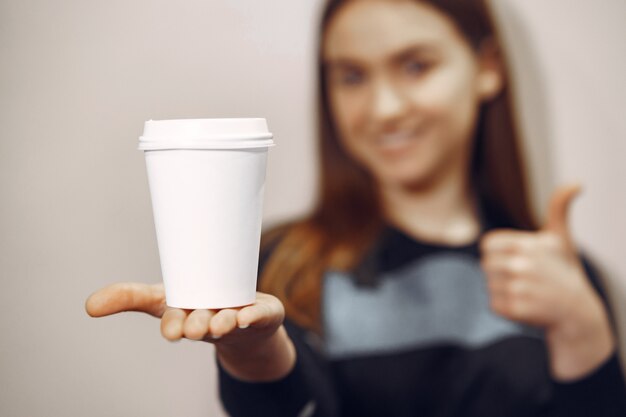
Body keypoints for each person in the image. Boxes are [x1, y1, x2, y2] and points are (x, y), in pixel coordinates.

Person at [86, 0, 626, 415]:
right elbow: (292, 405)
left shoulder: (565, 283)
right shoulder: (286, 260)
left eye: (415, 66)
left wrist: (582, 329)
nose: (384, 109)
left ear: (487, 67)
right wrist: (253, 352)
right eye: (351, 76)